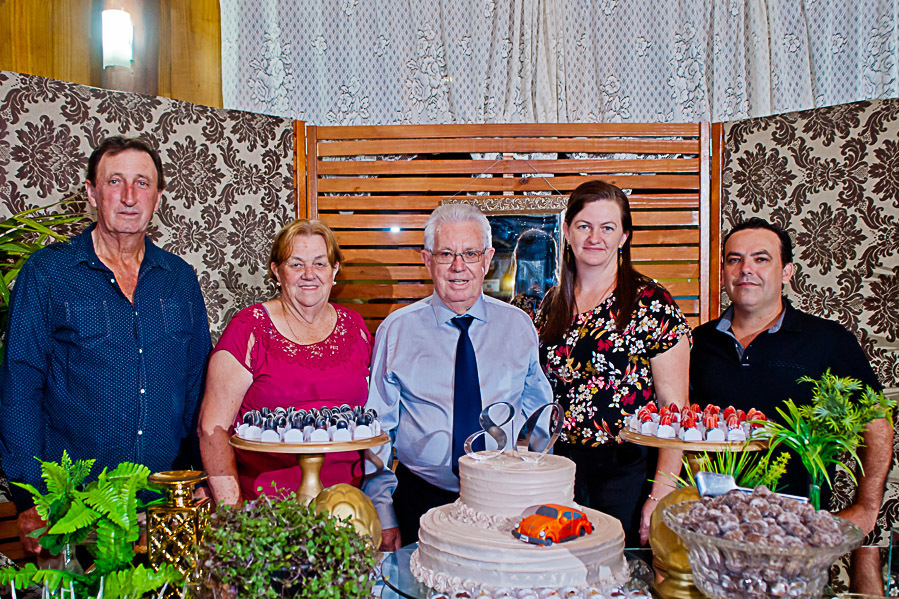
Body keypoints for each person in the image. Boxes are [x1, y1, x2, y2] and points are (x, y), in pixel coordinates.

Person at [0, 136, 211, 554]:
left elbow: (197, 385)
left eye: (142, 183)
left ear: (158, 197)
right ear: (92, 193)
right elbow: (19, 388)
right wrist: (30, 497)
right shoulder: (48, 273)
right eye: (115, 181)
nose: (129, 196)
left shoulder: (179, 278)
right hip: (74, 511)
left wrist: (200, 477)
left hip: (166, 504)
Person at [363, 204, 554, 552]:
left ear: (487, 259)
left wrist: (541, 493)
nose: (458, 266)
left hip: (504, 499)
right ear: (427, 260)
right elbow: (378, 428)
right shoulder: (396, 330)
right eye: (446, 254)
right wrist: (382, 510)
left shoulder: (518, 326)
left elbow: (539, 417)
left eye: (470, 253)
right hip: (419, 497)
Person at [689, 217, 893, 536]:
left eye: (761, 259)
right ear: (724, 272)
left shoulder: (828, 341)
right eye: (734, 260)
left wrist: (867, 508)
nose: (745, 269)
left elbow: (876, 424)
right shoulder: (696, 343)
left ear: (786, 272)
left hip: (797, 531)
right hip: (709, 527)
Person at [535, 180, 691, 546]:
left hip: (628, 471)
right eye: (584, 226)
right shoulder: (550, 304)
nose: (595, 238)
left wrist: (661, 492)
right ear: (567, 231)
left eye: (607, 227)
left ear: (624, 237)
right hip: (561, 468)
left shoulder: (651, 302)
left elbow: (675, 407)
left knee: (621, 571)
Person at [197, 219, 372, 504]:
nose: (309, 274)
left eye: (319, 263)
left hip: (347, 505)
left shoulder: (356, 327)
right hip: (266, 510)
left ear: (334, 270)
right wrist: (233, 513)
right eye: (296, 264)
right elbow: (211, 430)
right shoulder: (248, 329)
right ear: (277, 271)